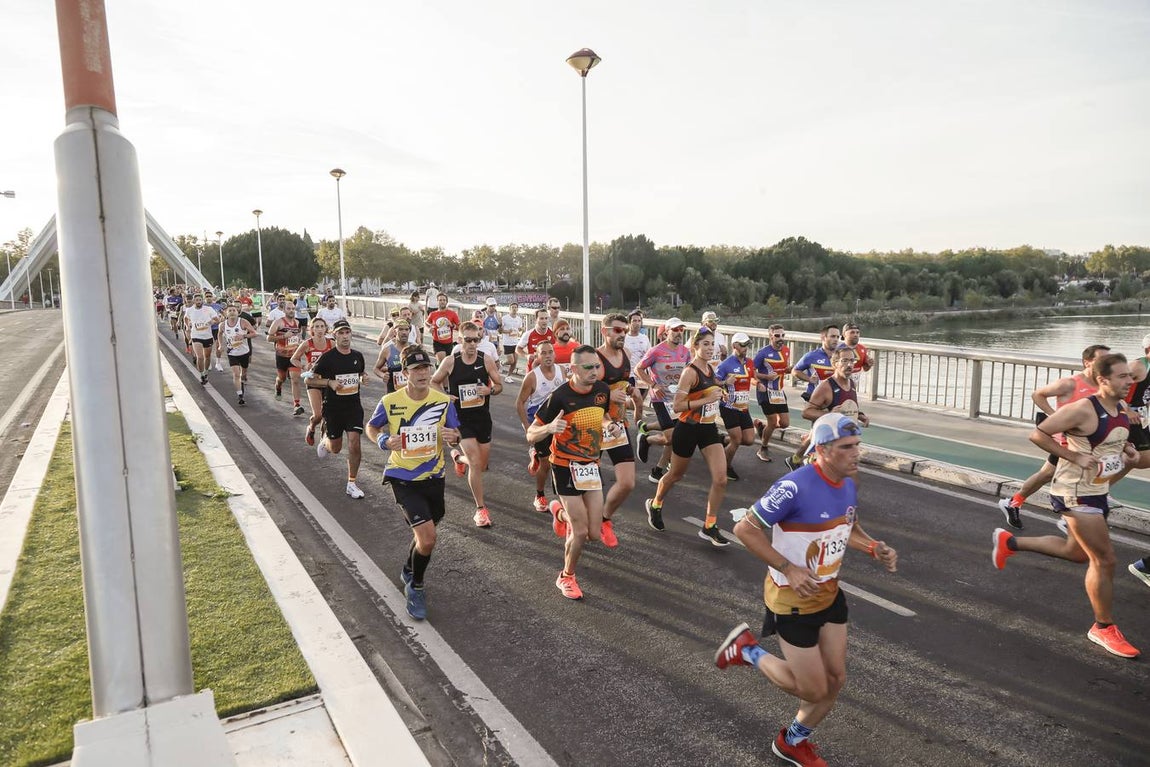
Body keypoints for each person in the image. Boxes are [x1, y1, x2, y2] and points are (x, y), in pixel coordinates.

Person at [714, 413, 898, 767]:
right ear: (823, 450)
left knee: (836, 680)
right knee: (813, 690)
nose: (856, 453)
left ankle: (792, 742)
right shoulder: (794, 487)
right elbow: (745, 529)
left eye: (857, 445)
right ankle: (748, 651)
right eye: (847, 447)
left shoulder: (848, 482)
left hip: (829, 594)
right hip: (792, 600)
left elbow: (848, 523)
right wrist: (788, 568)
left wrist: (873, 546)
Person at [992, 353, 1140, 659]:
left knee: (1076, 553)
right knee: (1105, 560)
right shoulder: (1083, 409)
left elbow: (1111, 440)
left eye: (1130, 375)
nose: (1130, 380)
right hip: (1075, 492)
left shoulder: (1120, 407)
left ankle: (1010, 543)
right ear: (1103, 379)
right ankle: (1103, 626)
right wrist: (1074, 456)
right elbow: (1038, 433)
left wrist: (1128, 451)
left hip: (1097, 490)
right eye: (1123, 376)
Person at [365, 346, 462, 620]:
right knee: (428, 538)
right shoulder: (390, 401)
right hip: (403, 477)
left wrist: (453, 438)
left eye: (426, 368)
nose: (422, 373)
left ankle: (409, 568)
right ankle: (416, 587)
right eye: (415, 369)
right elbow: (372, 427)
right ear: (405, 373)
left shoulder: (443, 401)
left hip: (434, 477)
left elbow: (455, 432)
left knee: (426, 534)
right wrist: (384, 440)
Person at [527, 344, 612, 600]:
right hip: (565, 466)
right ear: (573, 368)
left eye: (597, 366)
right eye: (588, 367)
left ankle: (559, 513)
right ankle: (566, 576)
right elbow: (531, 433)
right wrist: (549, 428)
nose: (594, 371)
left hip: (591, 466)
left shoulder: (602, 390)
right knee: (581, 531)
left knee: (594, 534)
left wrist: (609, 425)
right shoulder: (560, 397)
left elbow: (604, 416)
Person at [998, 344, 1109, 529]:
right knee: (1068, 477)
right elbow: (1038, 395)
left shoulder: (1103, 385)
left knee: (1048, 474)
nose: (1107, 363)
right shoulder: (1070, 384)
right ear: (1087, 362)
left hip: (1090, 442)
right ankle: (1071, 519)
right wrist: (1054, 415)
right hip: (1068, 443)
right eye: (1102, 359)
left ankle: (1014, 503)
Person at [643, 327, 730, 545]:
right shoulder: (690, 372)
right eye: (705, 344)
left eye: (712, 344)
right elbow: (678, 406)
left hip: (708, 428)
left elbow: (708, 392)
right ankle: (655, 504)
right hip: (688, 428)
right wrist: (706, 400)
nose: (710, 348)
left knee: (721, 479)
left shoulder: (710, 369)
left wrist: (721, 393)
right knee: (675, 475)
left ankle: (709, 526)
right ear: (695, 347)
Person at [431, 320, 504, 527]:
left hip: (482, 418)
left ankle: (457, 458)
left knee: (482, 465)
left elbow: (499, 385)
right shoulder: (450, 361)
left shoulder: (486, 359)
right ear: (460, 340)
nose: (472, 344)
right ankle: (481, 510)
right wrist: (445, 396)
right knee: (475, 461)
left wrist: (490, 390)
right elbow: (433, 382)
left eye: (476, 340)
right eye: (468, 340)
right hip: (460, 420)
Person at [595, 314, 643, 547]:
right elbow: (584, 390)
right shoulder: (595, 359)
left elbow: (625, 381)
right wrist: (608, 394)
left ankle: (604, 520)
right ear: (605, 331)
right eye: (617, 330)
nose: (622, 333)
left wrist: (631, 390)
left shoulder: (627, 354)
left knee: (627, 483)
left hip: (617, 426)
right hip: (594, 426)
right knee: (588, 484)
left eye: (624, 330)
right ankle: (569, 517)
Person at [309, 320, 368, 499]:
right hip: (333, 408)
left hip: (353, 407)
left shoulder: (358, 356)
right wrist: (329, 382)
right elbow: (309, 380)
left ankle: (352, 483)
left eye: (347, 332)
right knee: (335, 448)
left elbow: (360, 374)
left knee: (354, 443)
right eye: (341, 333)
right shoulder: (327, 358)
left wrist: (363, 378)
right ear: (334, 336)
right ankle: (325, 441)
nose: (344, 336)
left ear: (351, 334)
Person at [789, 347, 870, 470]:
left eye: (852, 361)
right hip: (827, 442)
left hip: (841, 441)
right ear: (834, 363)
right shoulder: (826, 387)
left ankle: (801, 460)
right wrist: (830, 414)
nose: (849, 365)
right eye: (844, 361)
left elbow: (847, 406)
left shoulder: (852, 384)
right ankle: (807, 462)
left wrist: (860, 415)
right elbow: (806, 412)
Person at [635, 318, 690, 486]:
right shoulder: (656, 351)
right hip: (660, 398)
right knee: (670, 437)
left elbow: (689, 372)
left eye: (681, 330)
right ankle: (646, 440)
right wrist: (653, 384)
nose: (679, 333)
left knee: (675, 437)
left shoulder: (685, 351)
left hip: (677, 399)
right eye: (675, 330)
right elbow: (638, 369)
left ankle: (658, 470)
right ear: (666, 332)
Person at [517, 342, 566, 512]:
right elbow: (520, 402)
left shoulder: (562, 371)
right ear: (537, 357)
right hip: (540, 423)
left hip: (559, 422)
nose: (547, 356)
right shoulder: (532, 377)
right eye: (543, 353)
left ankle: (564, 498)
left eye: (550, 352)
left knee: (561, 461)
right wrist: (527, 426)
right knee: (546, 464)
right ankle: (539, 495)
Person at [716, 331, 756, 481]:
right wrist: (725, 382)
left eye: (747, 345)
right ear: (734, 345)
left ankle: (723, 440)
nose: (746, 348)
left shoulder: (750, 362)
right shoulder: (726, 364)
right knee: (737, 440)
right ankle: (725, 467)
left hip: (743, 407)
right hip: (729, 407)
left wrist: (759, 383)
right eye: (743, 345)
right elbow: (714, 381)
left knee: (749, 439)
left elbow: (753, 377)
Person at [753, 324, 792, 463]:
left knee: (785, 423)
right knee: (773, 421)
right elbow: (751, 371)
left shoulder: (786, 350)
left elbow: (783, 369)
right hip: (765, 391)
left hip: (778, 392)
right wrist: (765, 378)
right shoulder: (762, 353)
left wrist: (788, 370)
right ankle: (763, 448)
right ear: (770, 336)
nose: (781, 338)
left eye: (783, 335)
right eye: (777, 335)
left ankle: (762, 427)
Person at [292, 317, 333, 446]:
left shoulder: (331, 343)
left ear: (326, 329)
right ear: (312, 329)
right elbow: (294, 359)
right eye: (316, 327)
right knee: (318, 415)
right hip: (313, 381)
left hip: (327, 381)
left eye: (322, 326)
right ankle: (311, 427)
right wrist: (305, 366)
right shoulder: (307, 344)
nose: (320, 329)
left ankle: (323, 440)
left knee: (327, 414)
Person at [267, 301, 305, 414]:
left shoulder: (297, 322)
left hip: (294, 356)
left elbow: (297, 336)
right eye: (289, 309)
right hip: (281, 355)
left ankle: (297, 405)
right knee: (282, 378)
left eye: (293, 309)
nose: (291, 311)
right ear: (284, 310)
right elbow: (269, 338)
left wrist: (299, 342)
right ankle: (278, 386)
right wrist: (284, 336)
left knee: (295, 379)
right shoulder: (278, 322)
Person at [219, 304, 257, 405]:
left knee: (243, 374)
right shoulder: (222, 325)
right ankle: (240, 395)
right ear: (226, 313)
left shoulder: (243, 322)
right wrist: (220, 345)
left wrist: (243, 336)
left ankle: (242, 380)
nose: (232, 312)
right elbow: (219, 334)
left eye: (234, 310)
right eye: (230, 311)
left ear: (237, 313)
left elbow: (254, 333)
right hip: (232, 352)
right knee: (236, 374)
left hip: (244, 352)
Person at [792, 325, 841, 402]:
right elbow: (795, 371)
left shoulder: (841, 356)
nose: (836, 339)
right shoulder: (811, 356)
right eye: (833, 336)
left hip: (835, 400)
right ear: (823, 338)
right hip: (814, 399)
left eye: (838, 337)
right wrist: (809, 379)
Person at [182, 293, 219, 385]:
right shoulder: (190, 310)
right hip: (196, 336)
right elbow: (185, 318)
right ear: (194, 301)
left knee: (207, 357)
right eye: (196, 300)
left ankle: (205, 372)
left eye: (200, 300)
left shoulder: (208, 309)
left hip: (207, 336)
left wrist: (212, 322)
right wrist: (187, 326)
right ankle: (202, 374)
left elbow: (217, 319)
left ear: (202, 300)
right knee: (200, 357)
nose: (198, 302)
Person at [373, 318, 416, 395]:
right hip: (393, 393)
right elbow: (376, 369)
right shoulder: (387, 350)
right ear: (394, 332)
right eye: (400, 329)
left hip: (412, 393)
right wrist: (383, 375)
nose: (404, 332)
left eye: (406, 329)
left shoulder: (415, 349)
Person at [622, 309, 651, 421]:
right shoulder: (623, 338)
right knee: (637, 400)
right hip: (628, 374)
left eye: (639, 321)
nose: (637, 323)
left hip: (641, 375)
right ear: (629, 323)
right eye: (634, 320)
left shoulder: (644, 338)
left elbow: (649, 357)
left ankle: (639, 426)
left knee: (639, 404)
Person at [426, 292, 461, 361]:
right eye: (440, 300)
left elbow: (460, 327)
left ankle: (437, 365)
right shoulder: (433, 314)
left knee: (449, 363)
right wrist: (429, 328)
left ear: (446, 302)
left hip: (449, 343)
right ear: (437, 302)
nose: (442, 302)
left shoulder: (452, 314)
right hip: (437, 342)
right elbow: (426, 322)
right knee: (442, 361)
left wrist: (452, 326)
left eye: (444, 300)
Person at [839, 322, 873, 389]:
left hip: (853, 386)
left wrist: (869, 364)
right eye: (852, 332)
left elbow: (865, 368)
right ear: (844, 334)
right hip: (839, 384)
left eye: (857, 332)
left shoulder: (862, 348)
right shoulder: (838, 349)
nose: (855, 335)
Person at [499, 301, 525, 383]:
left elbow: (520, 329)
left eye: (515, 307)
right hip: (507, 342)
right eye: (512, 307)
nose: (514, 309)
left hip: (516, 342)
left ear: (517, 309)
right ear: (509, 309)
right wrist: (508, 331)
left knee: (515, 362)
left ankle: (508, 376)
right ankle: (502, 363)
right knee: (511, 361)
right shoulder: (504, 318)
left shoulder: (519, 319)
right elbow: (500, 330)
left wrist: (521, 330)